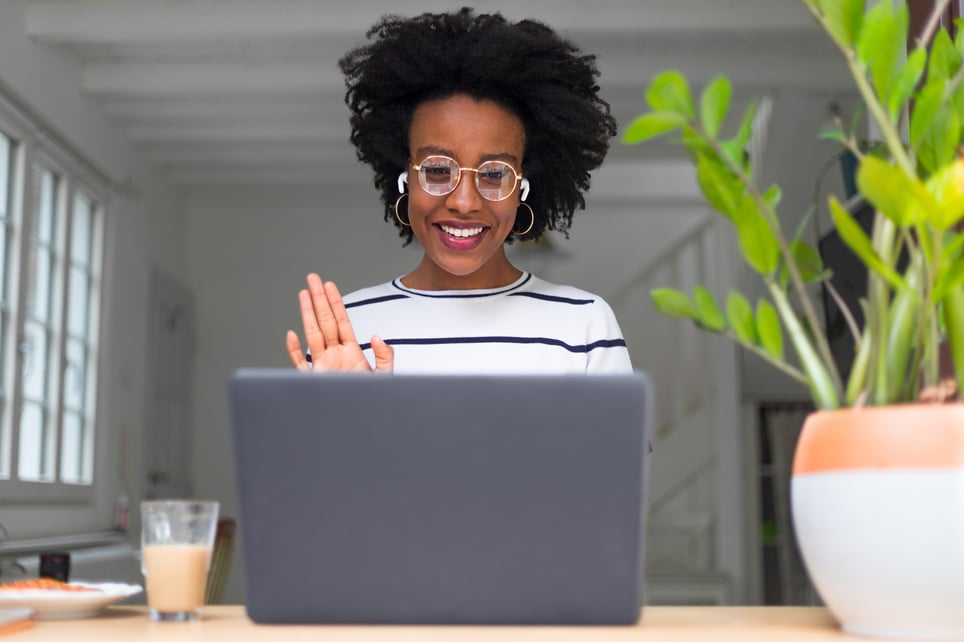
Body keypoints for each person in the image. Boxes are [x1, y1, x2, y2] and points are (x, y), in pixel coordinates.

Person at [285, 7, 632, 375]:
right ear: (404, 176)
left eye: (494, 174)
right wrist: (366, 417)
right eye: (436, 169)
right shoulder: (344, 333)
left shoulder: (583, 326)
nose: (463, 202)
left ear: (524, 186)